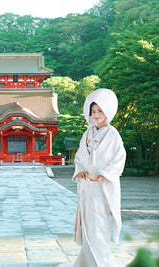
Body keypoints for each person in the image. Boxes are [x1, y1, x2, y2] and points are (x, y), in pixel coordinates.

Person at [61, 88, 126, 267]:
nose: (96, 115)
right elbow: (80, 157)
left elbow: (119, 158)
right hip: (87, 187)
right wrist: (80, 171)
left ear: (107, 112)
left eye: (100, 110)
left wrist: (104, 174)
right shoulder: (87, 133)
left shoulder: (113, 134)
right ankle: (87, 260)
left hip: (101, 187)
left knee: (99, 223)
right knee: (88, 223)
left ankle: (101, 260)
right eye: (93, 111)